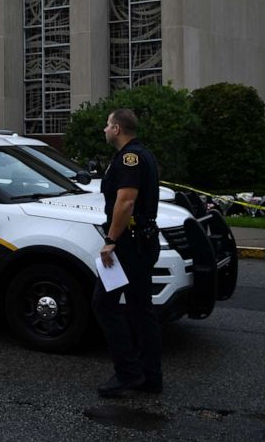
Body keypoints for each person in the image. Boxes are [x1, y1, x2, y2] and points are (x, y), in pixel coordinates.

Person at [92, 108, 162, 397]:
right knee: (140, 309)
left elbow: (125, 202)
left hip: (129, 244)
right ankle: (150, 376)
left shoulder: (128, 158)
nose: (105, 130)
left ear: (118, 129)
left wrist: (110, 240)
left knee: (104, 304)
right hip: (142, 241)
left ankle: (128, 374)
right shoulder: (142, 154)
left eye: (108, 125)